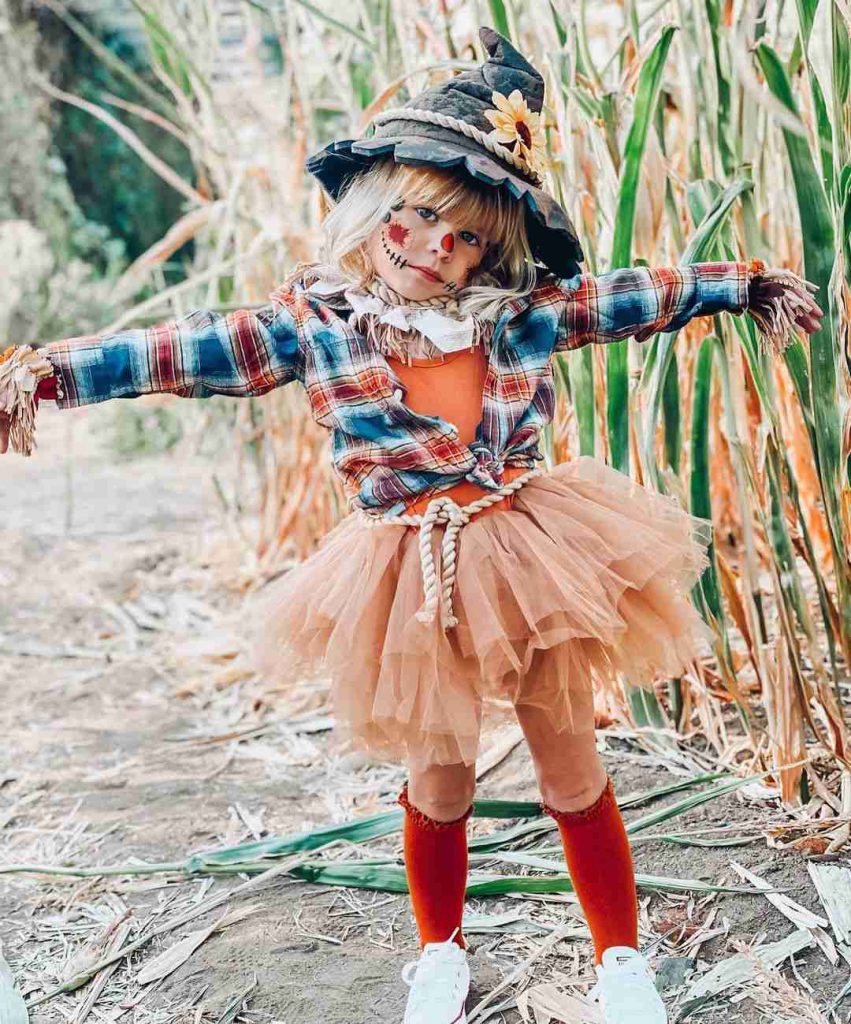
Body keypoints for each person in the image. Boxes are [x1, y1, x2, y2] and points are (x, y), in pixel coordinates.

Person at [0, 27, 822, 1024]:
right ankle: (438, 950)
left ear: (494, 246)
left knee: (568, 756)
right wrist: (55, 369)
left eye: (466, 235)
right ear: (379, 201)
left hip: (526, 550)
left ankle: (618, 958)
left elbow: (622, 298)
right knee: (438, 771)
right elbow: (184, 350)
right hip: (405, 568)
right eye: (422, 216)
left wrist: (736, 285)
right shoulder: (314, 321)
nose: (436, 247)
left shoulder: (513, 312)